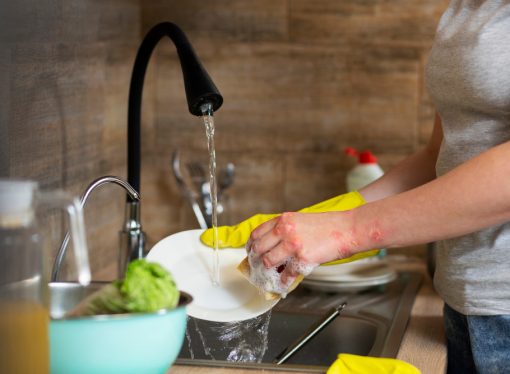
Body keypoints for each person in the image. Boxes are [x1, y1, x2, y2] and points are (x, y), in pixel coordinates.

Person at [247, 1, 510, 373]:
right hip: (469, 307)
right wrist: (312, 221)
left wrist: (346, 232)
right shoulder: (467, 9)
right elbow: (441, 154)